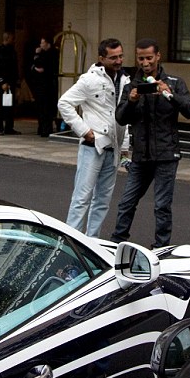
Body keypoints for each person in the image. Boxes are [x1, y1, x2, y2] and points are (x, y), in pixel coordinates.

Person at [111, 38, 190, 248]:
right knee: (126, 202)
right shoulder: (132, 85)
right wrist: (131, 101)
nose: (145, 62)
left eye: (149, 57)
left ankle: (161, 247)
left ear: (158, 56)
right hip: (140, 155)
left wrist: (169, 93)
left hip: (166, 154)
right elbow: (121, 118)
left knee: (162, 205)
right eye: (141, 58)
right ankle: (116, 242)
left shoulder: (174, 82)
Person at [58, 38, 131, 237]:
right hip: (92, 147)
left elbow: (124, 117)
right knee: (81, 198)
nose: (118, 61)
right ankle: (71, 241)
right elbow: (64, 103)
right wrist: (85, 131)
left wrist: (124, 148)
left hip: (113, 148)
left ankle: (92, 243)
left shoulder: (125, 80)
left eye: (120, 56)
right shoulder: (89, 80)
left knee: (103, 201)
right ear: (101, 58)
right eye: (113, 57)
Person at [0, 31, 21, 135]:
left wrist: (17, 84)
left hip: (11, 82)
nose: (13, 41)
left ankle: (9, 127)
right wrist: (2, 82)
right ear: (7, 38)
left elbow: (15, 68)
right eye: (12, 38)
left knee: (10, 106)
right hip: (1, 83)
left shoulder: (13, 51)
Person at [30, 36, 60, 137]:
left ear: (47, 43)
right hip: (41, 84)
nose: (41, 45)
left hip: (47, 85)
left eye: (42, 43)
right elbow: (36, 66)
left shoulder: (52, 53)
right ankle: (41, 128)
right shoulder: (43, 53)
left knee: (46, 108)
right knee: (41, 107)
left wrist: (37, 55)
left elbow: (41, 66)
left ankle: (46, 129)